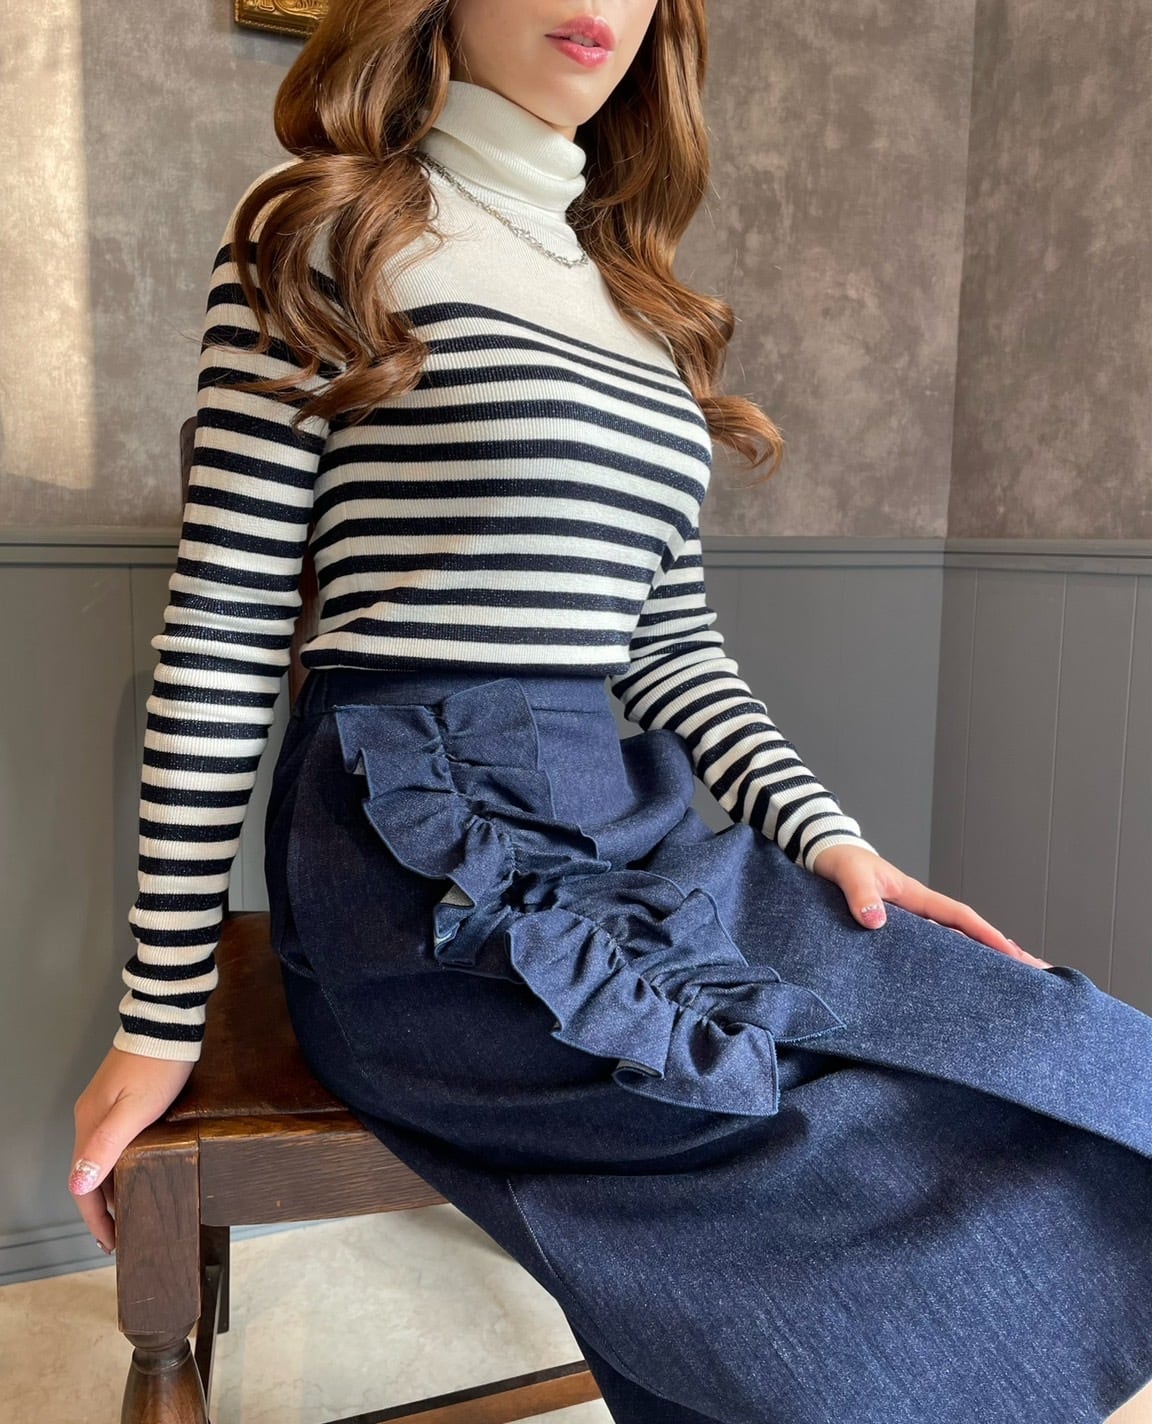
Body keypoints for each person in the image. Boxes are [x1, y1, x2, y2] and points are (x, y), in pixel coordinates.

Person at [71, 2, 1152, 1420]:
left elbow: (673, 645)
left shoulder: (643, 309)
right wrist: (159, 1019)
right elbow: (222, 628)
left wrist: (831, 839)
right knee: (782, 1126)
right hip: (413, 864)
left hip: (624, 820)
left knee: (1061, 1050)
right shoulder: (321, 228)